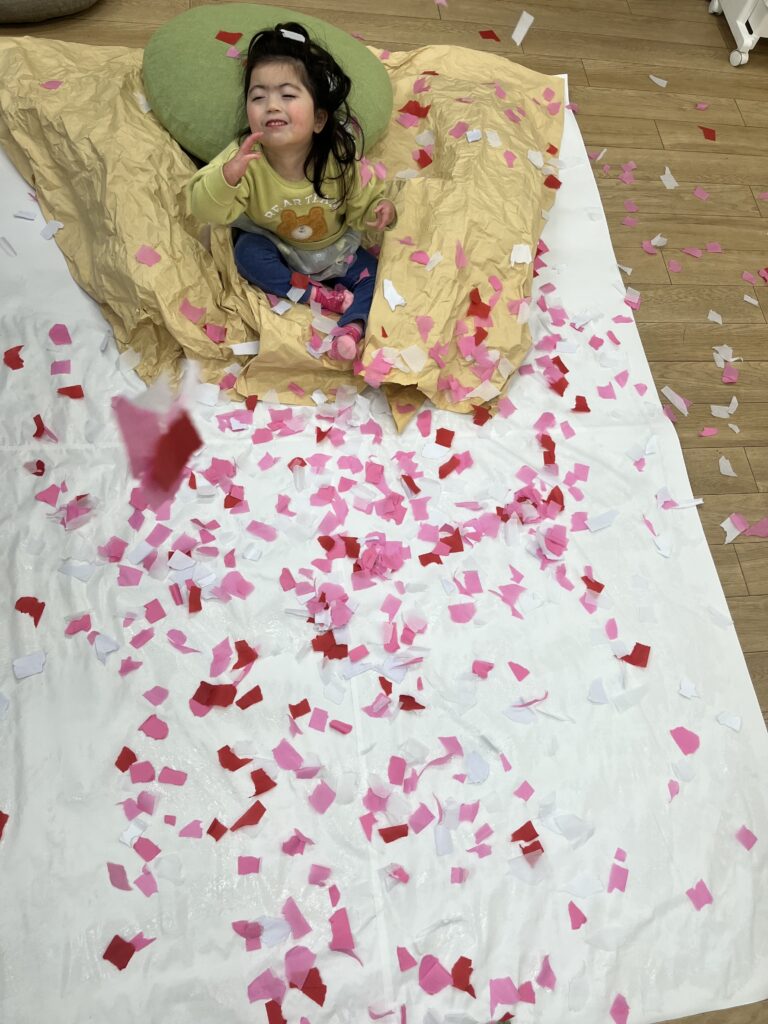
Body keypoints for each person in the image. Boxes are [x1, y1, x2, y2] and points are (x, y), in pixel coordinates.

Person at [187, 21, 398, 361]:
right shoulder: (243, 158)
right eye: (258, 97)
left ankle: (353, 327)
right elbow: (204, 209)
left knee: (373, 275)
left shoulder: (339, 159)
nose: (271, 105)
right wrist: (226, 178)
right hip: (277, 246)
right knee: (247, 254)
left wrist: (379, 209)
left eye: (287, 95)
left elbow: (362, 202)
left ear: (318, 119)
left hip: (334, 249)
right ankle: (314, 295)